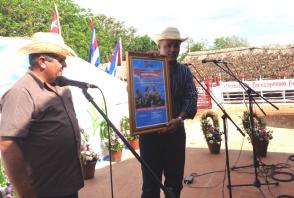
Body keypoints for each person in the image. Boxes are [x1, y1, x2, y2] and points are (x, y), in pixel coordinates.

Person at [0, 32, 84, 198]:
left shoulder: (63, 88)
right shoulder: (21, 92)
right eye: (61, 60)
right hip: (44, 191)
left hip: (68, 184)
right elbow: (7, 146)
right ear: (42, 62)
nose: (65, 65)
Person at [139, 27, 198, 198]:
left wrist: (179, 119)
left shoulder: (184, 71)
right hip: (150, 135)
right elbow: (135, 93)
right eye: (168, 46)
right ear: (160, 46)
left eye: (176, 46)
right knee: (150, 186)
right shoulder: (145, 66)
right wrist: (144, 63)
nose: (173, 49)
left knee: (174, 184)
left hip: (175, 134)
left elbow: (192, 97)